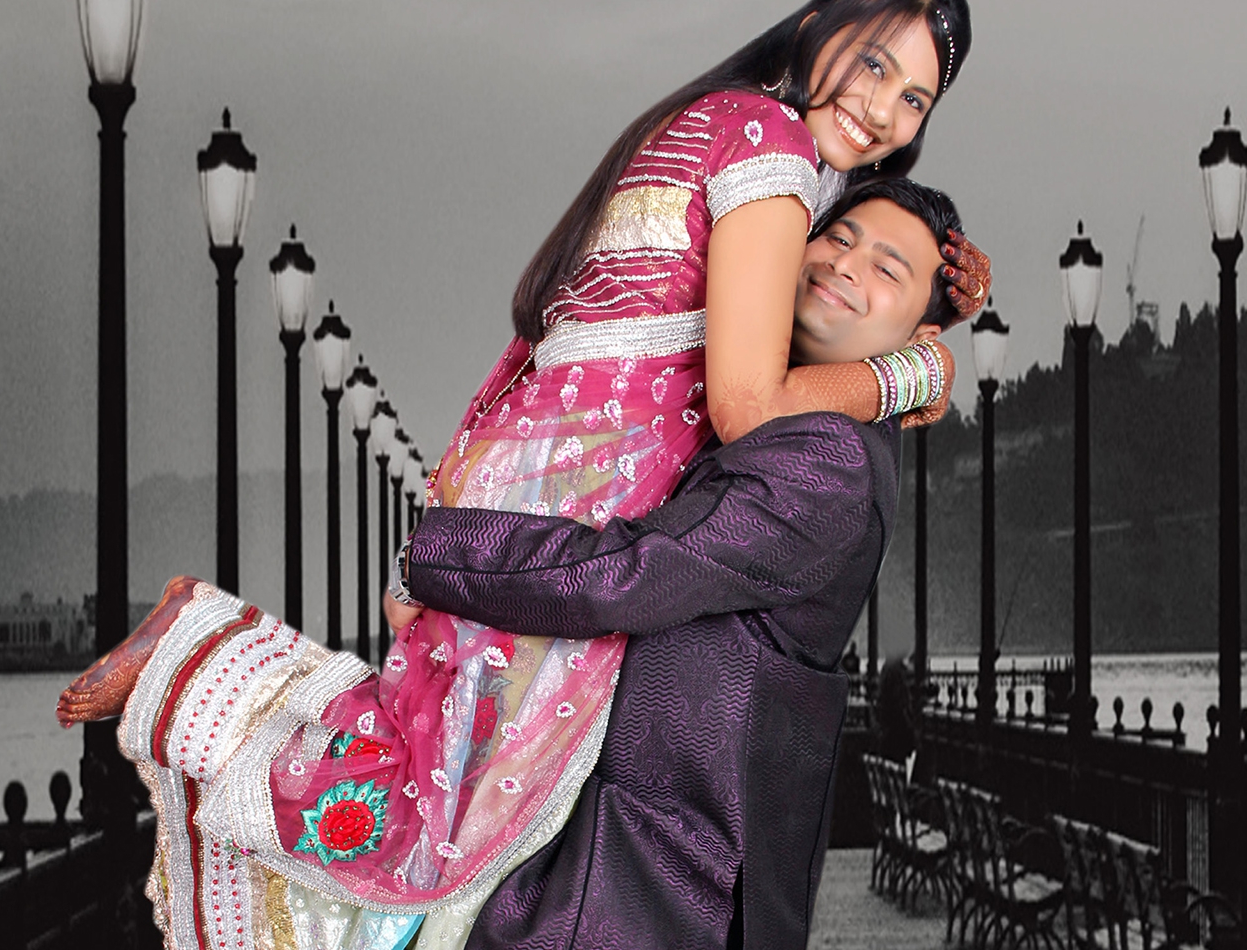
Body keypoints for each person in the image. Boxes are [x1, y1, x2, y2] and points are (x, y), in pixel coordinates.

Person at [57, 0, 988, 947]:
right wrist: (911, 372)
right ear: (817, 25)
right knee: (434, 828)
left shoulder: (733, 125)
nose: (884, 109)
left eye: (915, 98)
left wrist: (945, 303)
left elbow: (567, 331)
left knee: (424, 771)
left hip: (540, 465)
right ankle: (201, 660)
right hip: (581, 493)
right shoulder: (771, 143)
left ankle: (204, 671)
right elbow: (753, 401)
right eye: (875, 64)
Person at [391, 178, 975, 949]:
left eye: (887, 268)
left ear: (922, 335)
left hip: (651, 882)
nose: (845, 264)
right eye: (839, 237)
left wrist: (431, 556)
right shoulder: (776, 413)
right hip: (639, 867)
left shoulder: (828, 459)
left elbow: (627, 573)